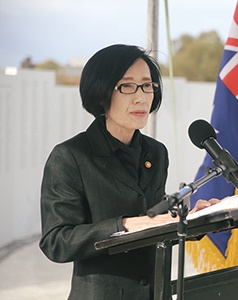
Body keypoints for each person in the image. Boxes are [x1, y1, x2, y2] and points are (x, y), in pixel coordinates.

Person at [39, 44, 217, 300]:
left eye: (147, 85)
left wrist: (192, 220)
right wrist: (123, 225)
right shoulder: (70, 156)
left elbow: (155, 223)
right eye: (127, 86)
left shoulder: (156, 152)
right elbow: (57, 241)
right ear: (101, 93)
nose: (141, 97)